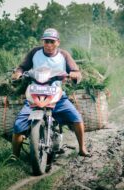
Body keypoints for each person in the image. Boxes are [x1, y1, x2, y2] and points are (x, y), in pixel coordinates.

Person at [11, 28, 91, 158]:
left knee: (77, 118)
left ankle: (82, 148)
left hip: (56, 95)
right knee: (18, 125)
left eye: (52, 42)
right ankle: (14, 157)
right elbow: (22, 67)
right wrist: (18, 73)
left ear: (58, 42)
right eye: (46, 41)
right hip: (35, 94)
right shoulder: (35, 52)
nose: (49, 45)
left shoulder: (64, 55)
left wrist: (74, 74)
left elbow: (75, 70)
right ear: (43, 42)